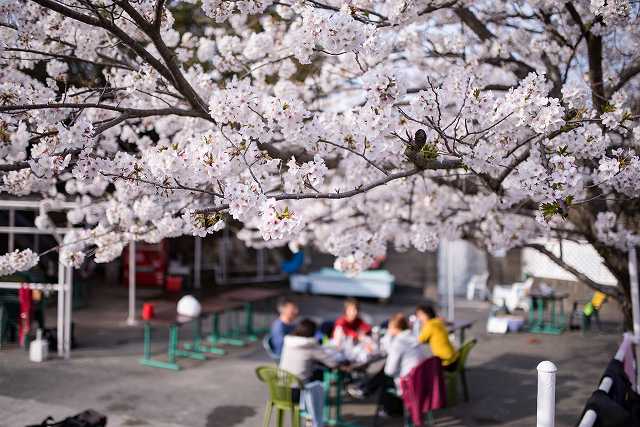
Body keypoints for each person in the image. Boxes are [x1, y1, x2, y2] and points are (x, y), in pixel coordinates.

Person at [280, 319, 338, 427]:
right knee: (319, 380)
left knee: (313, 374)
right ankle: (313, 420)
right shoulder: (310, 345)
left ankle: (310, 419)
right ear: (313, 333)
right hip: (296, 393)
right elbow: (332, 363)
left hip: (279, 390)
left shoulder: (288, 341)